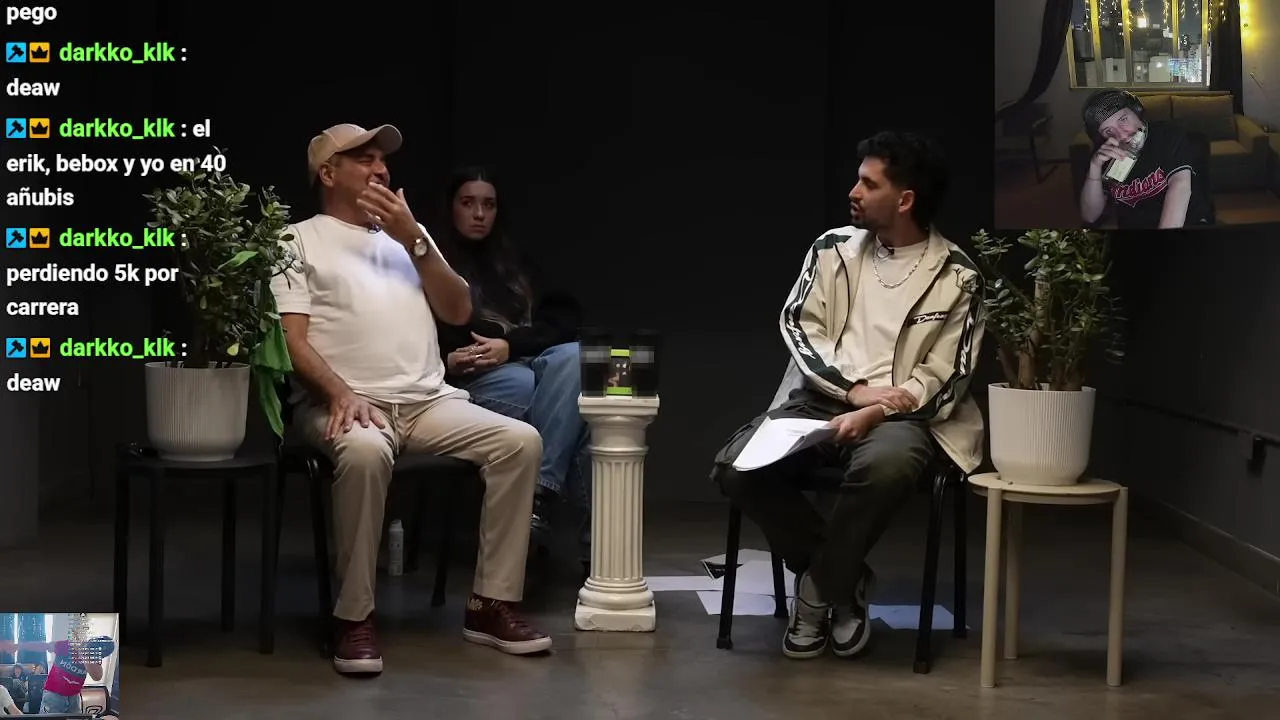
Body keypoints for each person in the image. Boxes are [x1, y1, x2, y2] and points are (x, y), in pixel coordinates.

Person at [272, 123, 552, 676]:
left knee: (520, 442)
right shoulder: (295, 241)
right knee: (364, 453)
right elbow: (291, 341)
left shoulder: (408, 235)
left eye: (383, 160)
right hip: (342, 403)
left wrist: (415, 241)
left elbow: (458, 311)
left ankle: (490, 604)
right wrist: (341, 392)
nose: (381, 169)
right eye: (364, 159)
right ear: (328, 173)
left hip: (428, 402)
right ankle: (354, 617)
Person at [709, 131, 985, 660]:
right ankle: (844, 578)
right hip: (820, 399)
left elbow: (947, 376)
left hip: (903, 417)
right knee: (737, 468)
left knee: (886, 465)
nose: (854, 192)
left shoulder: (958, 277)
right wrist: (853, 391)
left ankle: (816, 593)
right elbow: (799, 326)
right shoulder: (832, 248)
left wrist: (877, 410)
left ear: (905, 200)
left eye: (869, 183)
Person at [432, 166, 590, 560]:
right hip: (472, 375)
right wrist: (444, 360)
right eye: (468, 203)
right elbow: (409, 331)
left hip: (530, 361)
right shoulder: (431, 264)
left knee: (574, 356)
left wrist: (510, 344)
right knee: (581, 415)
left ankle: (539, 495)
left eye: (488, 205)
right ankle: (601, 548)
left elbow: (564, 319)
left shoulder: (516, 263)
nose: (479, 214)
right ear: (451, 208)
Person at [1078, 89, 1213, 229]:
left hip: (1185, 223)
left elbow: (1180, 187)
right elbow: (1090, 216)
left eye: (1123, 120)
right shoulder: (1105, 153)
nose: (1121, 135)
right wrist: (1094, 167)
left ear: (1137, 111)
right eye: (1108, 131)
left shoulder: (1168, 135)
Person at [0, 636, 115, 714]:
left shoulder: (93, 659)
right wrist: (18, 646)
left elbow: (97, 676)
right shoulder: (68, 645)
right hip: (54, 695)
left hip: (74, 697)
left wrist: (86, 656)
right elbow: (43, 646)